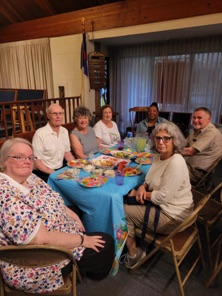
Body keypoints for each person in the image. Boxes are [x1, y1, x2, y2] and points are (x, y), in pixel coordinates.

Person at [0, 138, 115, 293]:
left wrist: (73, 215)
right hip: (37, 263)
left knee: (80, 209)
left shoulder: (30, 178)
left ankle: (84, 264)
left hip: (56, 231)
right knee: (106, 243)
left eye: (30, 157)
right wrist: (83, 239)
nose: (27, 161)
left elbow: (52, 198)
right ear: (3, 161)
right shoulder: (6, 195)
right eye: (19, 157)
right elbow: (43, 239)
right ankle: (92, 276)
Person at [124, 122, 193, 269]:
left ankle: (133, 254)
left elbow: (162, 197)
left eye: (166, 138)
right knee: (128, 198)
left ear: (174, 140)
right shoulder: (158, 157)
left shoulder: (176, 161)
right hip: (165, 206)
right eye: (157, 138)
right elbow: (149, 181)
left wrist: (140, 193)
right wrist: (142, 187)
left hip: (173, 216)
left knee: (123, 211)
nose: (161, 142)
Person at [32, 103, 74, 182]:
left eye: (60, 113)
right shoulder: (40, 134)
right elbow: (37, 162)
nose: (58, 117)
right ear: (48, 116)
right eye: (55, 114)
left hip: (61, 169)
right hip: (45, 173)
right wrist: (55, 174)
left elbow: (67, 153)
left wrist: (76, 165)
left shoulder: (64, 131)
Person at [182, 107, 222, 185]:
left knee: (165, 169)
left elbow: (189, 151)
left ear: (209, 119)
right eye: (194, 117)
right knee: (161, 164)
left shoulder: (211, 133)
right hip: (187, 165)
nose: (195, 120)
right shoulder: (197, 130)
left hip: (196, 173)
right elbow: (181, 144)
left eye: (199, 118)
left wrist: (169, 152)